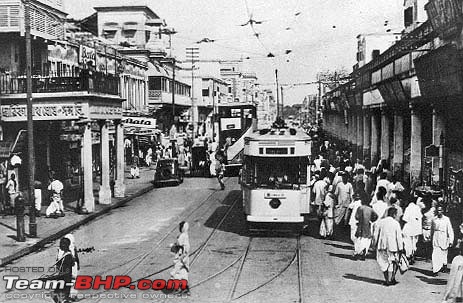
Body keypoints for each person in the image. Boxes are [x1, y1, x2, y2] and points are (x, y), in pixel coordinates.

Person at [374, 207, 404, 286]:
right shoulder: (396, 223)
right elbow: (399, 237)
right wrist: (400, 248)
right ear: (394, 214)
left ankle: (387, 279)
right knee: (393, 262)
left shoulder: (380, 222)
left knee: (383, 262)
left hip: (382, 245)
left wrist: (374, 244)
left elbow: (375, 235)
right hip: (393, 247)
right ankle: (392, 278)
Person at [432, 205, 454, 276]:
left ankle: (444, 265)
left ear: (443, 211)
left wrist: (451, 240)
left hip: (443, 237)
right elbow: (432, 229)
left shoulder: (446, 219)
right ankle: (435, 270)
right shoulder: (434, 219)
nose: (439, 212)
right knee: (435, 253)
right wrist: (431, 237)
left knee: (443, 253)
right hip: (436, 237)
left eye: (440, 210)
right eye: (438, 210)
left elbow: (450, 230)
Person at [50, 237, 74, 303]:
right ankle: (63, 299)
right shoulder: (65, 254)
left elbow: (70, 264)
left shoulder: (68, 255)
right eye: (61, 243)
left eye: (63, 244)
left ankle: (64, 299)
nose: (61, 245)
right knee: (58, 290)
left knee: (60, 289)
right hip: (63, 275)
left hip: (65, 275)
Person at [402, 198, 423, 265]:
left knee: (408, 243)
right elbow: (420, 218)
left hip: (409, 228)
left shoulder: (408, 208)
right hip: (416, 229)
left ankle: (409, 255)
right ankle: (412, 255)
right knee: (414, 243)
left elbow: (405, 218)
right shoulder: (417, 208)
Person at [174, 221, 190, 294]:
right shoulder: (186, 235)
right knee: (184, 271)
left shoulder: (182, 236)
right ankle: (185, 288)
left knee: (177, 271)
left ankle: (178, 288)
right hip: (185, 256)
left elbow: (179, 245)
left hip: (181, 256)